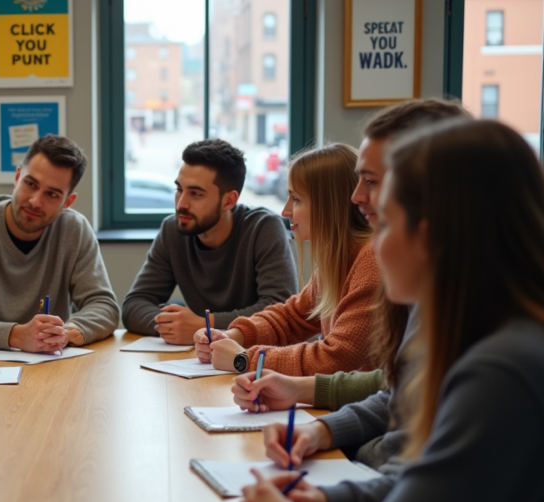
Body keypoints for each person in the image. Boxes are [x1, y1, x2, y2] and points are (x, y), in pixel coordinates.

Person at [237, 118, 544, 502]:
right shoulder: (479, 329)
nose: (375, 246)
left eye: (387, 222)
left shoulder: (503, 371)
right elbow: (435, 490)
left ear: (436, 232)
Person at [232, 99, 469, 471]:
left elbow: (340, 358)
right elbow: (394, 388)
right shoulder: (345, 263)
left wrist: (247, 357)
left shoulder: (376, 260)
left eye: (371, 182)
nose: (356, 197)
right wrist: (238, 335)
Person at [195, 143, 378, 376]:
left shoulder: (372, 260)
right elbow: (291, 318)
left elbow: (334, 359)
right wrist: (233, 336)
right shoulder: (340, 259)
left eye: (296, 199)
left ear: (330, 207)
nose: (285, 210)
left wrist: (244, 359)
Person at [0, 134, 119, 351]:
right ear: (18, 176)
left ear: (68, 202)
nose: (36, 201)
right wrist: (16, 336)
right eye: (31, 184)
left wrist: (66, 333)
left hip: (51, 364)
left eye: (52, 194)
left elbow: (104, 306)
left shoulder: (75, 230)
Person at [121, 139, 297, 344]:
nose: (181, 204)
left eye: (195, 194)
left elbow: (279, 310)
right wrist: (175, 325)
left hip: (258, 362)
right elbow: (134, 305)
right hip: (201, 360)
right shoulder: (173, 230)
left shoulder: (263, 228)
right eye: (179, 189)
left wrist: (204, 325)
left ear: (229, 201)